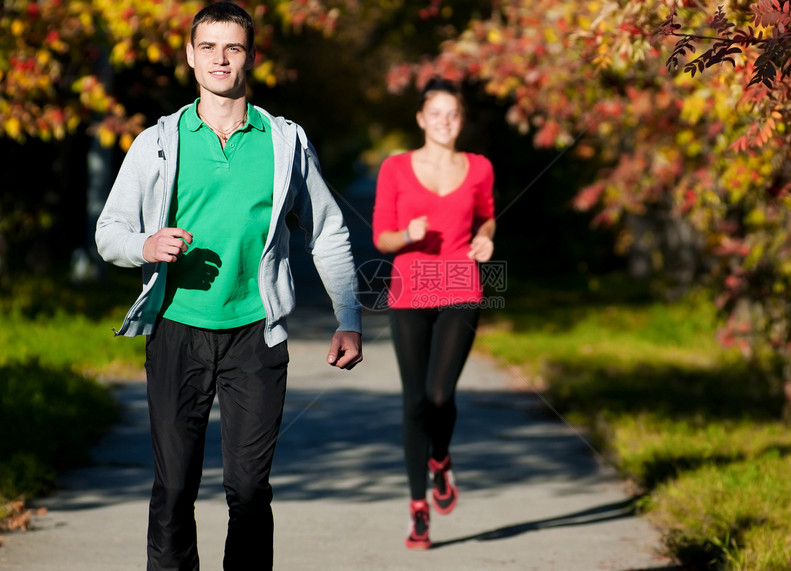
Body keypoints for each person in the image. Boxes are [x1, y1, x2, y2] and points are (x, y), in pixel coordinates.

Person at [95, 3, 363, 569]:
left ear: (251, 57)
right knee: (173, 490)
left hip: (254, 337)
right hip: (176, 329)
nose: (221, 58)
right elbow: (109, 231)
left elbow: (329, 231)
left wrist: (348, 318)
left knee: (247, 491)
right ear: (191, 57)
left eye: (233, 47)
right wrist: (144, 246)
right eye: (209, 47)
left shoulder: (285, 142)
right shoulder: (158, 142)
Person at [372, 78, 496, 549]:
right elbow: (382, 237)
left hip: (462, 287)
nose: (445, 121)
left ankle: (440, 458)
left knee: (440, 394)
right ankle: (418, 509)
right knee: (414, 402)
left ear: (460, 120)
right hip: (410, 290)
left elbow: (487, 214)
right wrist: (408, 234)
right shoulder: (396, 168)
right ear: (422, 119)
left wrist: (487, 237)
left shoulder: (479, 168)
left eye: (453, 114)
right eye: (436, 113)